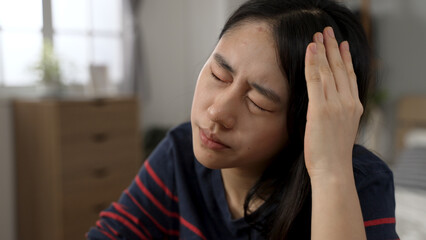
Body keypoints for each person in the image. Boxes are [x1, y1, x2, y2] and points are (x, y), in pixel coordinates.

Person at [87, 0, 399, 239]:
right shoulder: (179, 153)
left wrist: (331, 172)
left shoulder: (357, 182)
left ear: (308, 121)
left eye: (258, 102)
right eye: (218, 74)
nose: (217, 112)